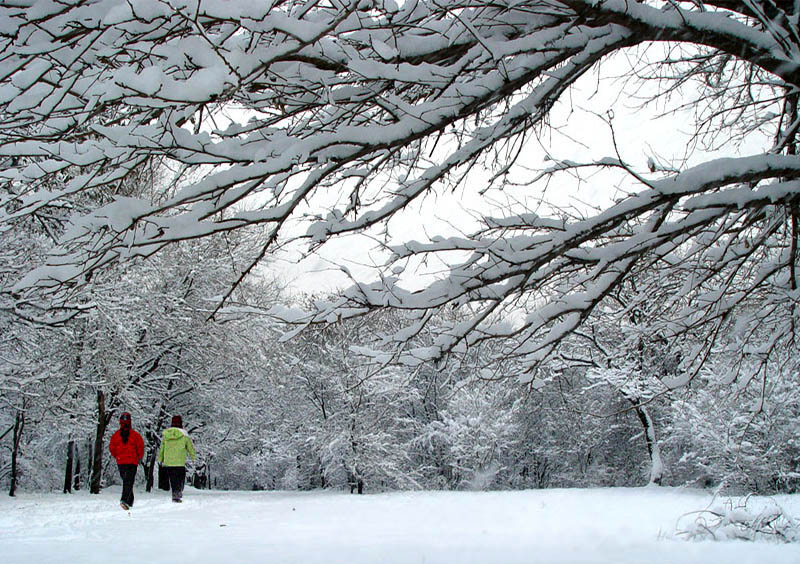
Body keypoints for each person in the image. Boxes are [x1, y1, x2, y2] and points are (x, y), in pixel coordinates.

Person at [108, 412, 145, 510]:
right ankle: (125, 500)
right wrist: (139, 457)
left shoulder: (116, 435)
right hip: (132, 462)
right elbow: (140, 447)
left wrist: (118, 456)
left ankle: (129, 502)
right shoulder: (135, 435)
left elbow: (112, 448)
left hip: (121, 462)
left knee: (126, 480)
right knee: (128, 481)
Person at [157, 415, 196, 503]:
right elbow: (190, 447)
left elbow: (162, 448)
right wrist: (193, 457)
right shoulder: (184, 435)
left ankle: (176, 492)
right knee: (180, 477)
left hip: (169, 461)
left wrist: (160, 459)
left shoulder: (166, 434)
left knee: (173, 478)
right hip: (180, 461)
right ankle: (178, 492)